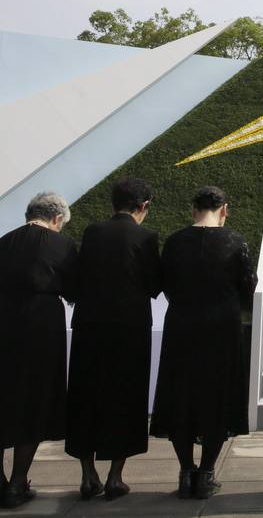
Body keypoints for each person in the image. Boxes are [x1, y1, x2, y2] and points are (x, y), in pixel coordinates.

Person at [0, 193, 78, 510]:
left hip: (1, 320)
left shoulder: (3, 242)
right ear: (57, 219)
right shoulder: (63, 245)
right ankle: (17, 483)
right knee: (35, 398)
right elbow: (72, 288)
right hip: (42, 322)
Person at [149, 187, 257, 500]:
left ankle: (186, 472)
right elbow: (248, 286)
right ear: (225, 209)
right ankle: (207, 473)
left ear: (193, 210)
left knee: (181, 394)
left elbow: (164, 284)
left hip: (182, 324)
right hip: (222, 326)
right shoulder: (235, 241)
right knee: (218, 396)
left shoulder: (175, 241)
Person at [66, 178, 162, 501]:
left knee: (85, 396)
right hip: (129, 329)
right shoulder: (146, 237)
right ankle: (114, 477)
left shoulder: (93, 233)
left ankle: (86, 474)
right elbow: (153, 285)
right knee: (125, 398)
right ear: (144, 206)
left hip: (89, 326)